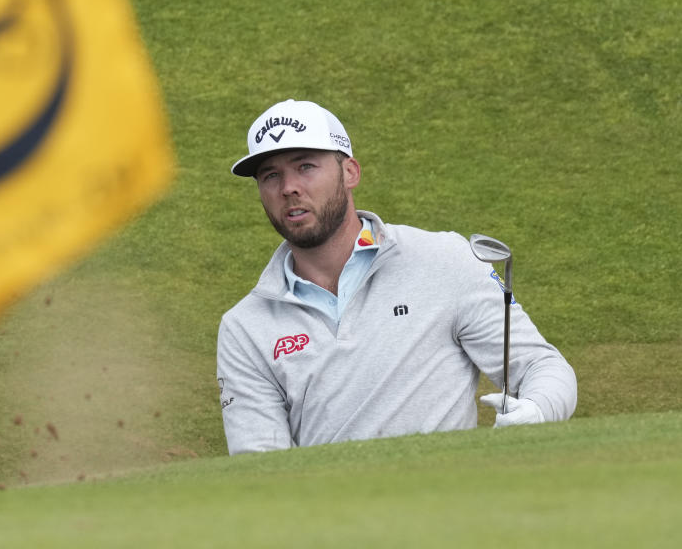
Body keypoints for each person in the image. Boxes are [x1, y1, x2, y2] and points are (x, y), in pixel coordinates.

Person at [216, 99, 577, 454]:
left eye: (306, 166)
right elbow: (261, 465)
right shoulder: (245, 328)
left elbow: (540, 365)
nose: (288, 188)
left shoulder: (448, 261)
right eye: (270, 175)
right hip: (330, 510)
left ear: (350, 172)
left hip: (449, 502)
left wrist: (538, 411)